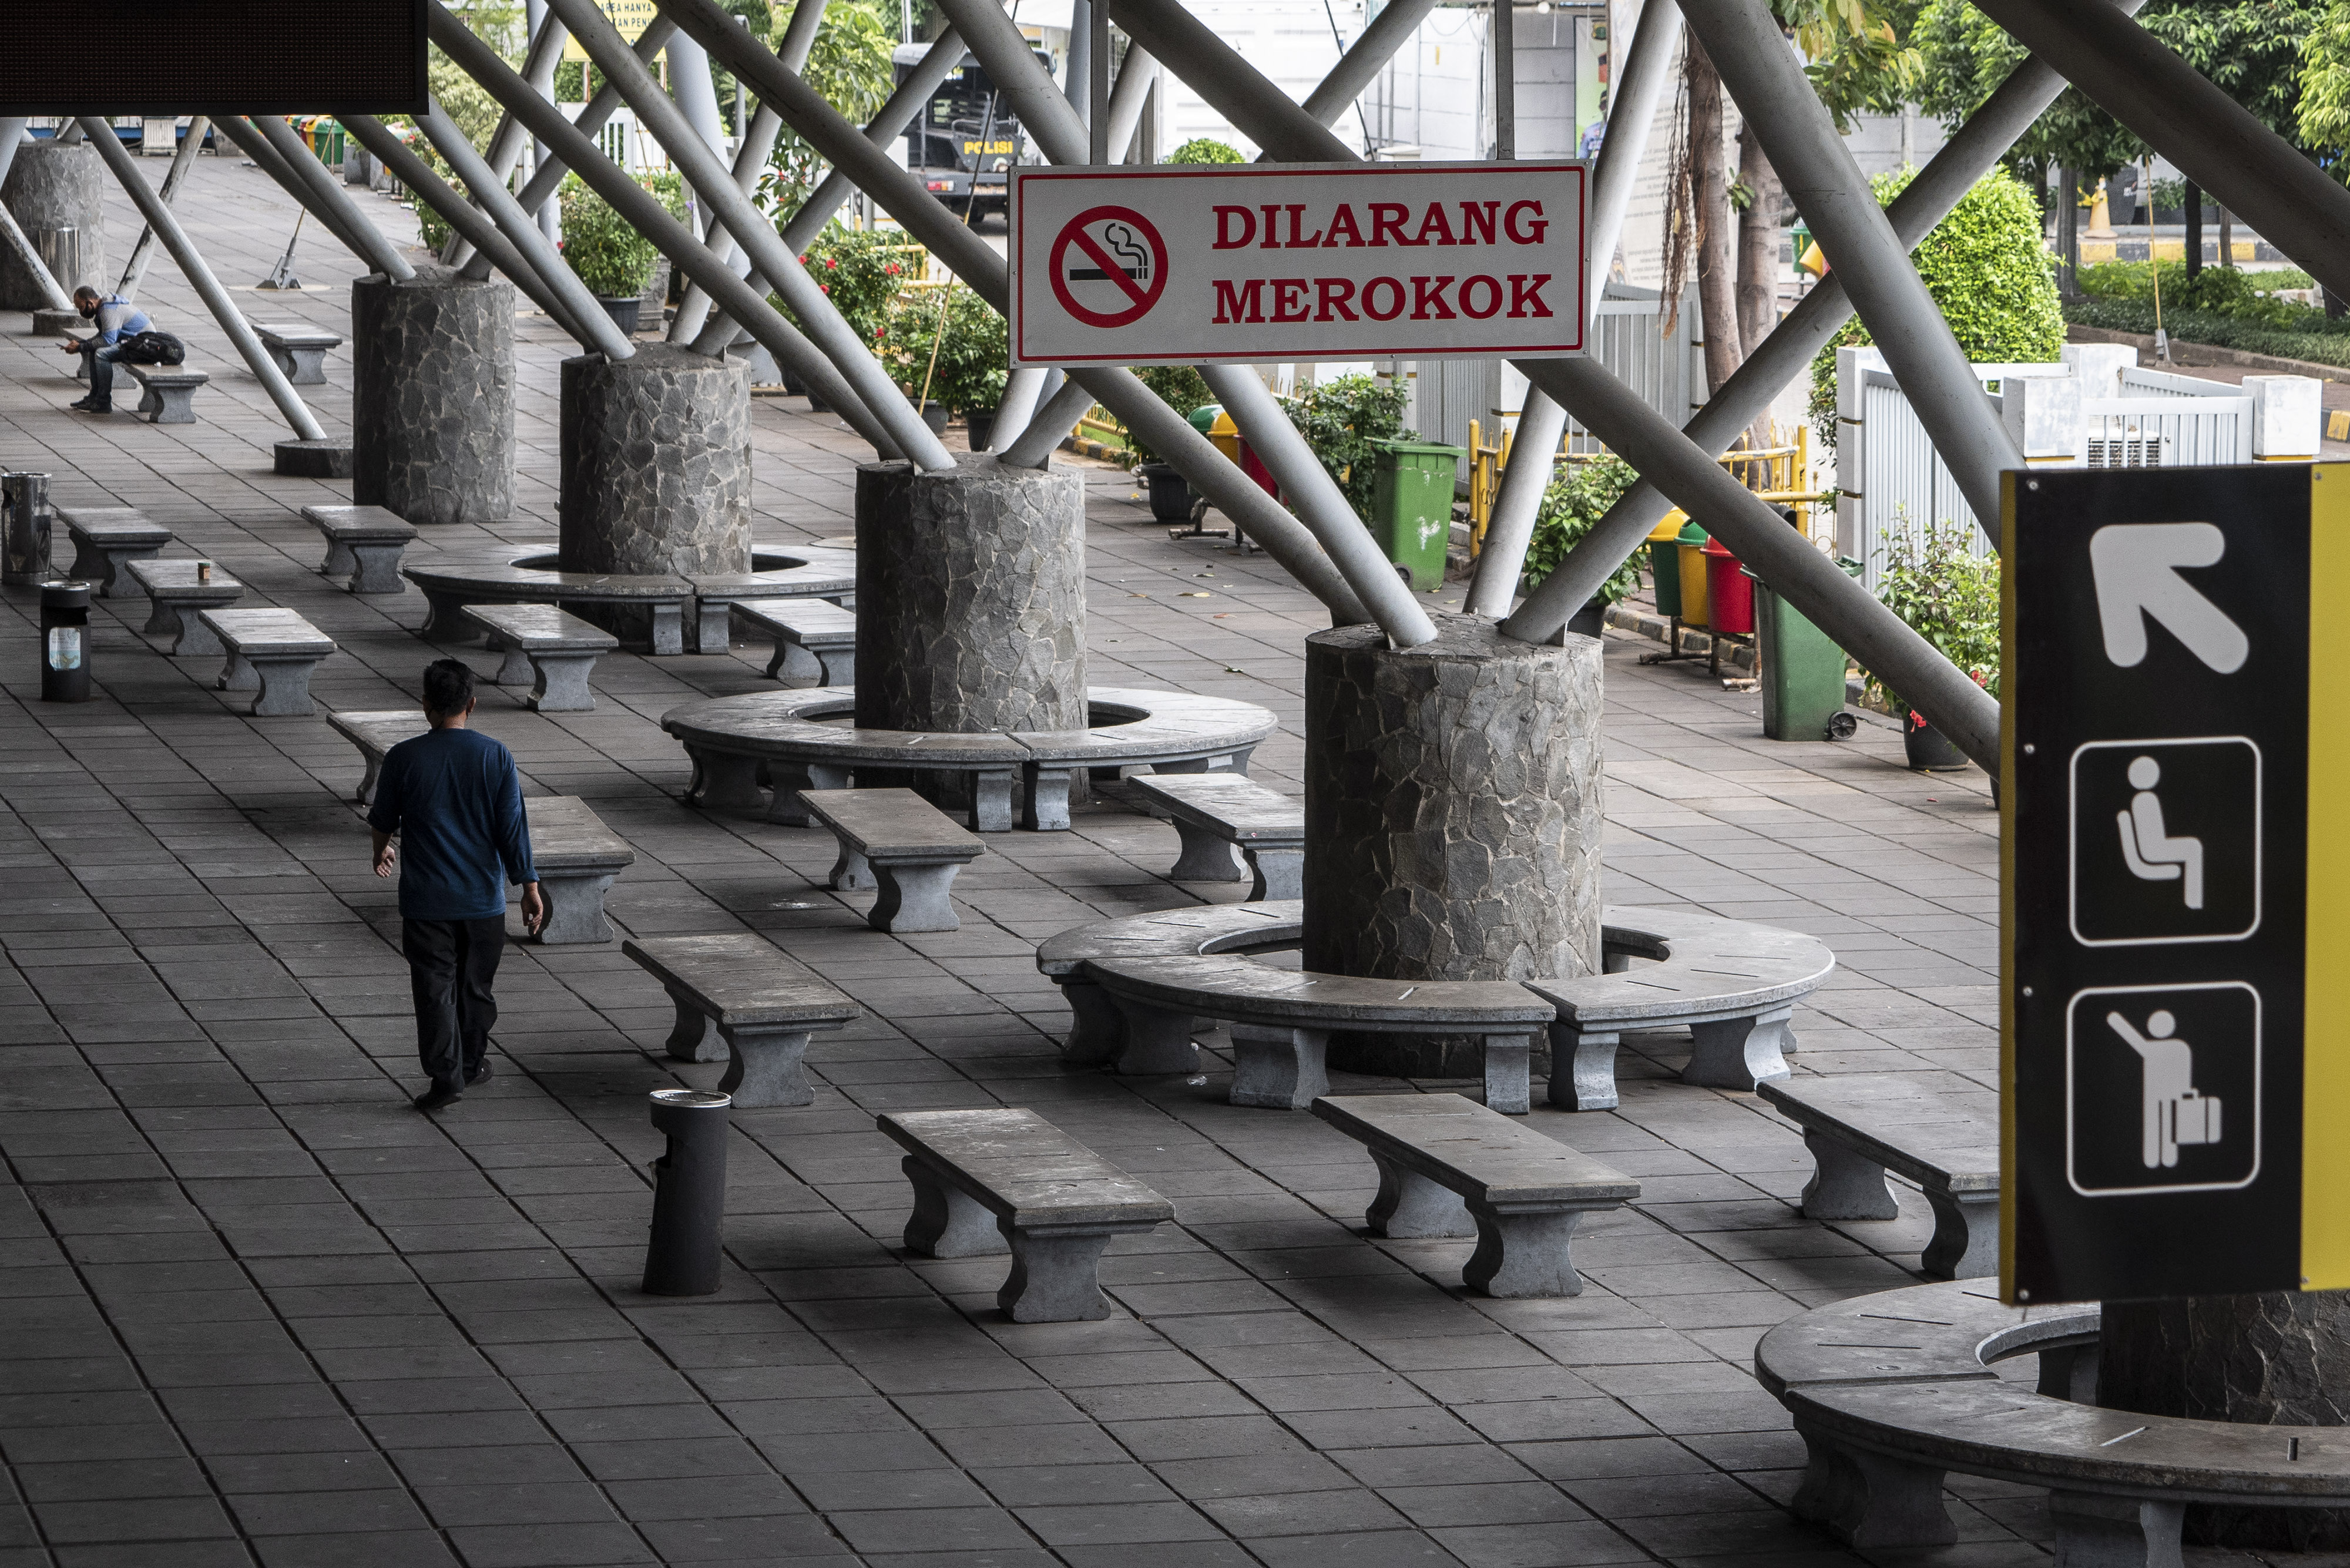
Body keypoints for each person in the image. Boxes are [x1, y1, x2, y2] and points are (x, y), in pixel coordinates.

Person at [368, 660, 545, 1112]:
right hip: (482, 902)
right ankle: (471, 1064)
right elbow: (513, 828)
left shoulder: (404, 757)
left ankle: (445, 1074)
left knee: (434, 989)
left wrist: (382, 850)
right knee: (475, 987)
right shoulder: (496, 756)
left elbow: (383, 820)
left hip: (427, 902)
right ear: (472, 704)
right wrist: (528, 885)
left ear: (425, 705)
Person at [59, 286, 151, 415]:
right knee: (94, 349)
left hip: (145, 347)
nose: (81, 313)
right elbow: (101, 337)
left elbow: (108, 340)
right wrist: (82, 344)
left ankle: (103, 401)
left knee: (101, 354)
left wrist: (81, 347)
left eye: (81, 308)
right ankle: (94, 396)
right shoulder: (103, 308)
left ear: (90, 303)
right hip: (133, 343)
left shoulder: (108, 311)